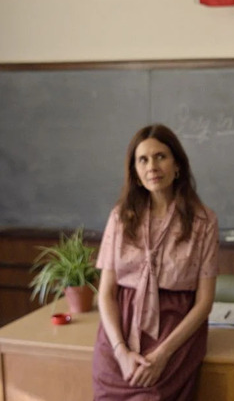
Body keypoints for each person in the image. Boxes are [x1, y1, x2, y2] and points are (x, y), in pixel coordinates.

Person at [92, 124, 219, 399]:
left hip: (174, 332)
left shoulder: (203, 221)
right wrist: (121, 351)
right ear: (135, 173)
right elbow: (106, 293)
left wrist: (162, 354)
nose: (152, 166)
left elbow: (205, 302)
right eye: (143, 159)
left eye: (160, 156)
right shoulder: (120, 217)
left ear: (177, 166)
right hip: (120, 331)